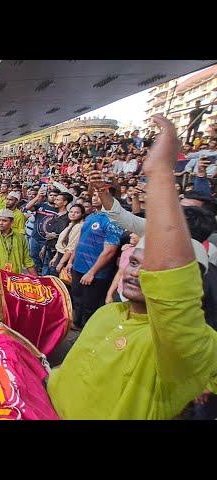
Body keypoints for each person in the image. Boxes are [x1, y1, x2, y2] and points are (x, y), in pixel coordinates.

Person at [47, 114, 217, 420]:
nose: (137, 271)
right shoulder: (108, 313)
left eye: (153, 269)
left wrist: (160, 173)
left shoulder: (186, 346)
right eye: (135, 262)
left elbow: (174, 298)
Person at [64, 190, 123, 330]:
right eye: (94, 194)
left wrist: (92, 272)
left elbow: (109, 251)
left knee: (90, 306)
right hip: (78, 267)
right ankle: (77, 325)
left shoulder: (114, 220)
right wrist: (71, 261)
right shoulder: (92, 216)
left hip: (96, 274)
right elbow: (80, 240)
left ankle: (87, 333)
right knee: (77, 300)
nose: (94, 197)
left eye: (98, 195)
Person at [0, 184, 37, 275]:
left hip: (14, 279)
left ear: (12, 223)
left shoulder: (20, 238)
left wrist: (36, 280)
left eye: (4, 221)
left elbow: (27, 261)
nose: (0, 223)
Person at [39, 192, 72, 275]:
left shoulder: (68, 218)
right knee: (45, 269)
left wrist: (56, 236)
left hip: (59, 251)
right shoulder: (55, 215)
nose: (55, 201)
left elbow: (69, 236)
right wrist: (44, 247)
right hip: (49, 248)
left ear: (65, 202)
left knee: (54, 272)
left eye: (57, 200)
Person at [49, 204, 86, 277]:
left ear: (82, 214)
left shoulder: (79, 226)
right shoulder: (70, 224)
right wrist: (55, 257)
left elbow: (71, 248)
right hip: (60, 255)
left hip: (66, 257)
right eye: (71, 211)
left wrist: (61, 263)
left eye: (76, 212)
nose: (73, 214)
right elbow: (62, 244)